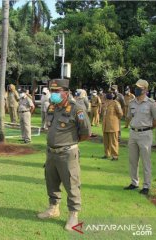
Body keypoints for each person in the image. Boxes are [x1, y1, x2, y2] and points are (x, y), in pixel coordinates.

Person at [37, 79, 91, 232]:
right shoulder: (52, 108)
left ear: (66, 92)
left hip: (67, 154)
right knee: (51, 182)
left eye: (57, 91)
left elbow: (86, 133)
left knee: (71, 185)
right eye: (52, 91)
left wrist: (70, 143)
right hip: (51, 153)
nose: (53, 94)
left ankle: (73, 216)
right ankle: (53, 208)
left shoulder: (77, 109)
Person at [124, 79, 156, 195]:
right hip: (133, 133)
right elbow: (129, 117)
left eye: (139, 87)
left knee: (146, 161)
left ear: (145, 89)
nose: (137, 89)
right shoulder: (132, 103)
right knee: (133, 160)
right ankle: (134, 182)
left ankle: (146, 185)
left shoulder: (151, 103)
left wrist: (148, 129)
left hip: (145, 134)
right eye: (136, 87)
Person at [101, 91, 123, 160]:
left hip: (113, 126)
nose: (108, 95)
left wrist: (115, 120)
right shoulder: (105, 104)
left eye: (110, 94)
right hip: (105, 126)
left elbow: (120, 113)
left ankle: (115, 156)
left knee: (113, 142)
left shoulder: (116, 103)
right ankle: (107, 154)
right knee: (106, 142)